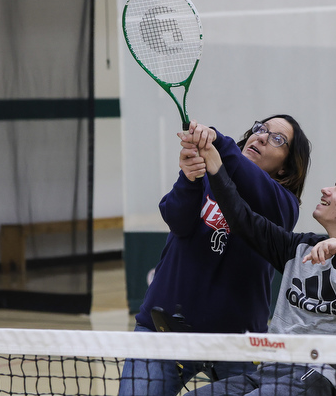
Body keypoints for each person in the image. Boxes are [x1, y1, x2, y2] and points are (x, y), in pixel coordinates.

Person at [186, 135, 336, 396]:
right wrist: (216, 168)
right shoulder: (296, 248)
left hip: (327, 378)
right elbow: (243, 219)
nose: (326, 190)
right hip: (270, 371)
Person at [118, 116, 312, 396]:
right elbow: (177, 220)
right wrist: (189, 178)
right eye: (260, 129)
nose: (261, 137)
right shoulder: (207, 178)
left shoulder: (283, 205)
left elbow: (255, 189)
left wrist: (219, 142)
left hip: (236, 344)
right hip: (164, 331)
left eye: (277, 139)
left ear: (285, 168)